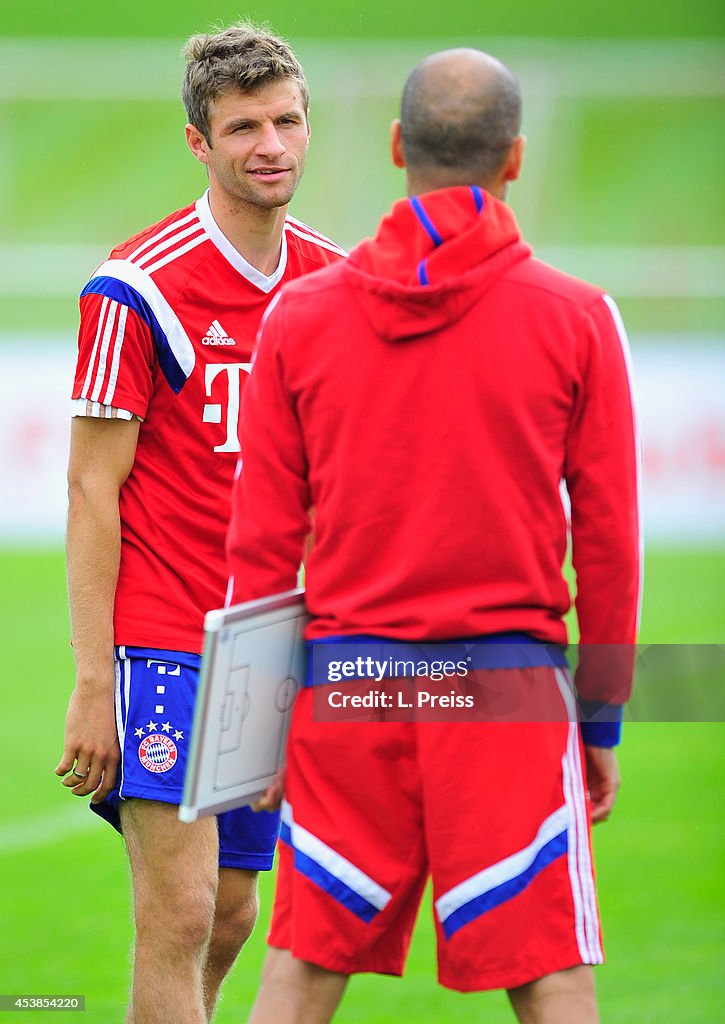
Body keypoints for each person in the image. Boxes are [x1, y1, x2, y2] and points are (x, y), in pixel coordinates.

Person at [226, 47, 640, 1024]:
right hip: (504, 690)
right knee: (547, 967)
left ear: (395, 145)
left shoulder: (296, 315)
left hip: (348, 686)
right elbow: (611, 540)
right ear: (515, 159)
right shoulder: (577, 318)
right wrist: (599, 719)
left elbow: (261, 537)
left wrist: (250, 729)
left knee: (301, 961)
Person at [54, 21, 345, 1024]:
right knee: (175, 913)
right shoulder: (137, 286)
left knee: (228, 912)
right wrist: (94, 682)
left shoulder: (336, 284)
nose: (270, 145)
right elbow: (91, 490)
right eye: (242, 127)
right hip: (164, 635)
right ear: (198, 141)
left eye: (285, 121)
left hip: (271, 646)